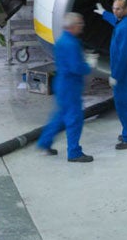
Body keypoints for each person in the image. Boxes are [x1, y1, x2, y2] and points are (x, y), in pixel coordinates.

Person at [38, 12, 94, 163]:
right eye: (80, 24)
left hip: (62, 84)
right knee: (74, 119)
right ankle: (74, 153)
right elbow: (76, 67)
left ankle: (44, 143)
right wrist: (89, 65)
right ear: (73, 26)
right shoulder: (72, 43)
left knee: (60, 116)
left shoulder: (62, 40)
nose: (82, 27)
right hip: (71, 87)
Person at [101, 0, 127, 150]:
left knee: (124, 104)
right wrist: (103, 13)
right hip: (126, 69)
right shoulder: (124, 21)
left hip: (123, 71)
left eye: (118, 9)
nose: (115, 11)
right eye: (113, 8)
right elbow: (115, 20)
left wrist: (115, 76)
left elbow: (123, 55)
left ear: (126, 9)